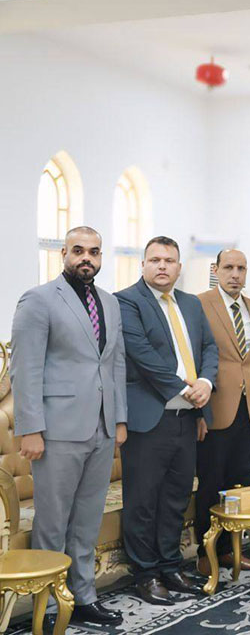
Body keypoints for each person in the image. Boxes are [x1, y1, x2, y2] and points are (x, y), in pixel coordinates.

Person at [11, 226, 126, 628]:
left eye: (94, 252)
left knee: (87, 521)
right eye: (78, 250)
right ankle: (46, 605)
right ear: (64, 253)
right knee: (53, 522)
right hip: (56, 430)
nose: (86, 258)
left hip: (101, 428)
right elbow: (25, 369)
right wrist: (30, 429)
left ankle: (83, 598)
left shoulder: (110, 303)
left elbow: (116, 364)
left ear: (100, 257)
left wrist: (120, 419)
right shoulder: (39, 299)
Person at [117, 235, 218, 605]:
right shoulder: (127, 301)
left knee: (176, 498)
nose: (162, 266)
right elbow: (142, 354)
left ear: (179, 267)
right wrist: (186, 388)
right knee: (143, 501)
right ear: (143, 264)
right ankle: (145, 575)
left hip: (186, 420)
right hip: (149, 420)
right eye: (155, 260)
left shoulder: (191, 303)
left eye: (169, 260)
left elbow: (209, 348)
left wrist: (206, 383)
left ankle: (170, 566)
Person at [194, 249, 250, 576]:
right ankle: (205, 552)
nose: (235, 274)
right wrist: (197, 413)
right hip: (214, 408)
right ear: (217, 269)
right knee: (211, 484)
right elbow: (195, 359)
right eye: (229, 267)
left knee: (238, 484)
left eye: (241, 268)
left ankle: (228, 550)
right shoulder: (199, 304)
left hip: (247, 411)